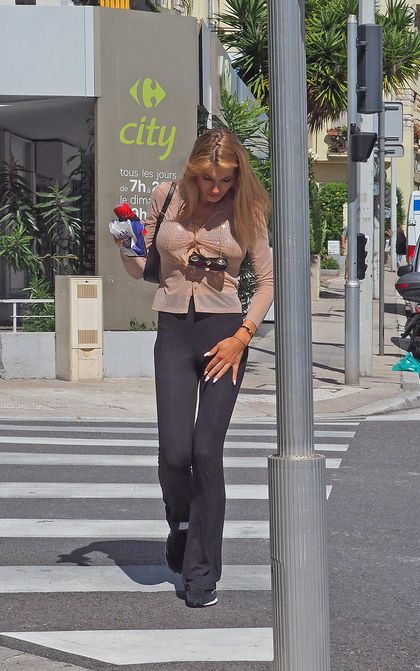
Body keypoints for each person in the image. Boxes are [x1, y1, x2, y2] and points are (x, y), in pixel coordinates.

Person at [113, 128, 273, 609]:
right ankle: (181, 525)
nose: (217, 188)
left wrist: (241, 338)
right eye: (209, 178)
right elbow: (143, 270)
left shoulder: (247, 211)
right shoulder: (166, 199)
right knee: (173, 453)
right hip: (173, 335)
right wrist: (126, 244)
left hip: (224, 337)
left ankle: (201, 573)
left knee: (206, 453)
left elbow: (265, 283)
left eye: (226, 179)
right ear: (193, 170)